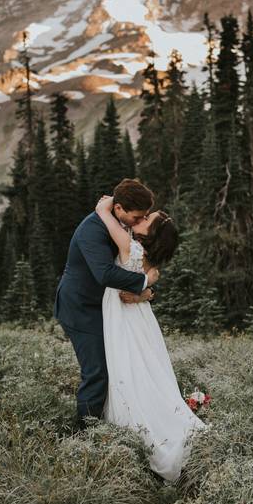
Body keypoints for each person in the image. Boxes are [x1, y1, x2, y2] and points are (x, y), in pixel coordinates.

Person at [96, 194, 206, 482]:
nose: (141, 219)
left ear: (151, 234)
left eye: (148, 220)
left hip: (123, 317)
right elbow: (147, 279)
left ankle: (141, 433)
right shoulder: (148, 259)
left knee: (129, 370)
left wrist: (104, 206)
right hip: (140, 318)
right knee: (147, 371)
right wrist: (146, 291)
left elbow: (104, 215)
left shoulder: (128, 245)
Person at [54, 179, 159, 429]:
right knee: (97, 371)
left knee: (116, 365)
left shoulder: (118, 222)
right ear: (119, 209)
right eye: (137, 217)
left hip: (105, 307)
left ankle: (112, 423)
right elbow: (105, 274)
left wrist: (145, 291)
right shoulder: (92, 230)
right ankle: (83, 434)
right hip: (80, 307)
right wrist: (145, 281)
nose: (140, 222)